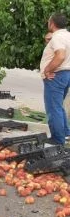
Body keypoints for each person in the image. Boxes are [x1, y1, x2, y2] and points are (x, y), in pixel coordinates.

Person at [39, 12, 70, 145]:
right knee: (58, 106)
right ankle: (66, 133)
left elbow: (60, 55)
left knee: (53, 108)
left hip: (55, 76)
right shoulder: (67, 35)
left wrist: (47, 70)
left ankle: (58, 139)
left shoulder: (58, 37)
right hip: (65, 74)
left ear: (52, 23)